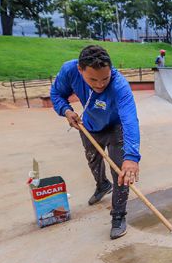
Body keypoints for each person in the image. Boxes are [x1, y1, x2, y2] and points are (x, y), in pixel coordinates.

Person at [50, 45, 141, 240]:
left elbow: (130, 119)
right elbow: (56, 94)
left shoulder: (120, 86)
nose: (100, 85)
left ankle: (118, 216)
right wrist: (66, 111)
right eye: (93, 80)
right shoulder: (69, 71)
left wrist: (132, 157)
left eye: (105, 79)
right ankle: (102, 185)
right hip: (89, 125)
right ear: (80, 70)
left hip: (117, 128)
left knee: (120, 172)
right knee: (93, 160)